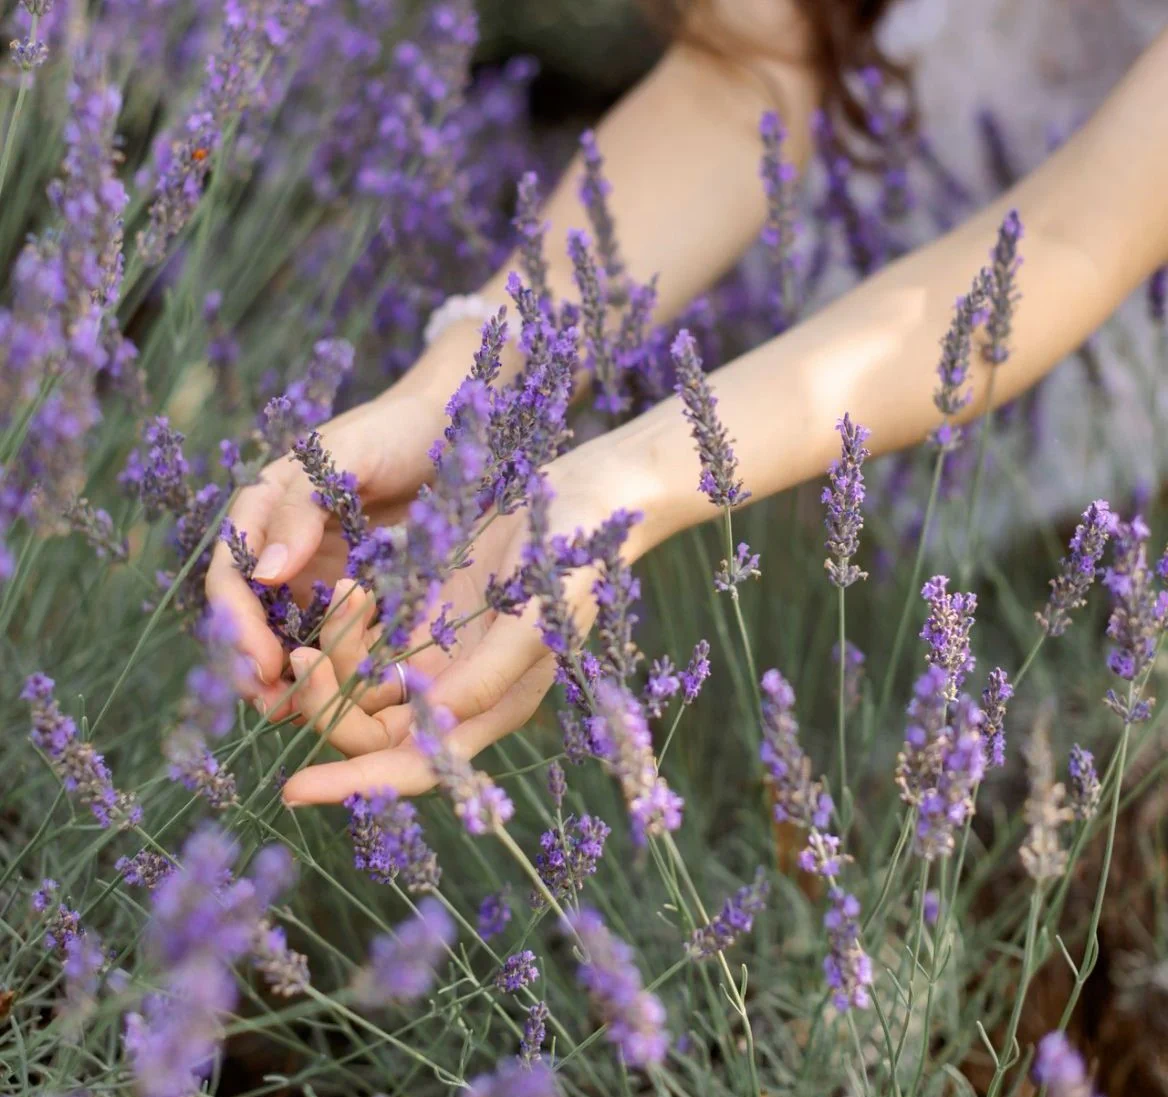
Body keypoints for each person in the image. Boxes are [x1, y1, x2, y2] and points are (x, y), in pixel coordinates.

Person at [205, 0, 1168, 807]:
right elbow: (751, 67)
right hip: (880, 299)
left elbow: (1075, 237)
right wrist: (462, 396)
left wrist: (629, 478)